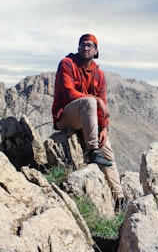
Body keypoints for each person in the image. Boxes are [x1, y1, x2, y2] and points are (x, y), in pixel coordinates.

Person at [52, 33, 125, 206]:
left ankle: (120, 198)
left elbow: (103, 102)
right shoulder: (67, 64)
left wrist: (105, 128)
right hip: (66, 117)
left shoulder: (98, 74)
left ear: (96, 51)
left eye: (90, 46)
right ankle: (92, 150)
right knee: (90, 101)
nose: (86, 48)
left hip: (88, 118)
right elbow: (70, 93)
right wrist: (97, 101)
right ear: (78, 48)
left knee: (107, 151)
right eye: (83, 45)